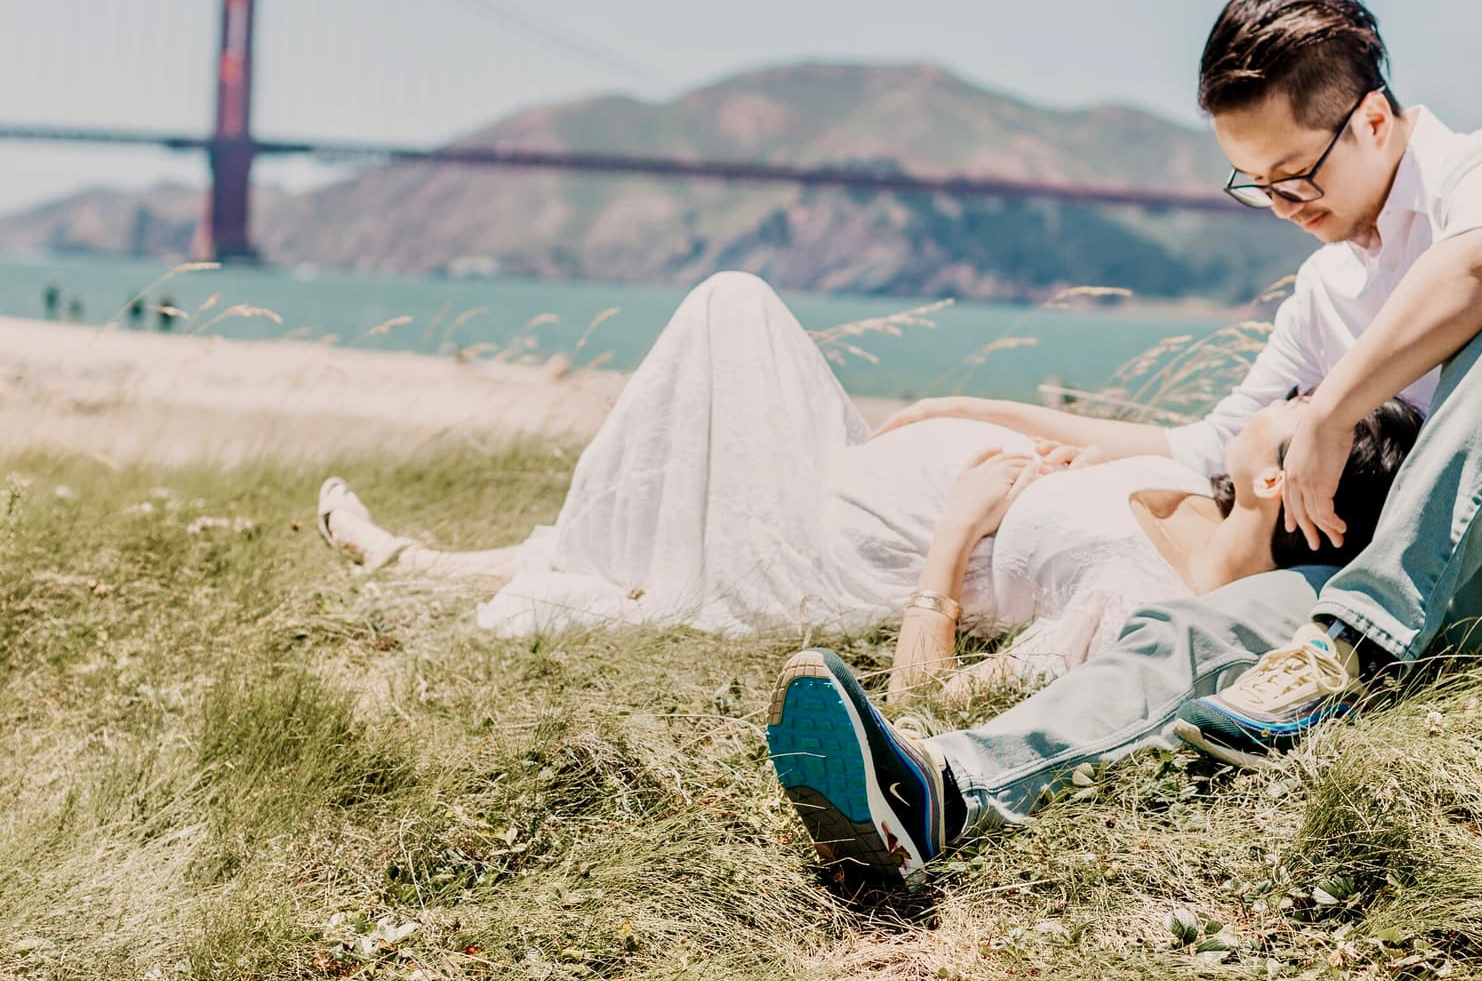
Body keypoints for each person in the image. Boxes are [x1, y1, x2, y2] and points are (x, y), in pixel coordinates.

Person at [762, 0, 1482, 881]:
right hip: (1423, 617)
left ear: (1371, 119)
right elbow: (1203, 445)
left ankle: (1347, 641)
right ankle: (940, 793)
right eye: (1256, 186)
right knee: (1185, 629)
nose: (1284, 208)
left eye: (1296, 177)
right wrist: (976, 411)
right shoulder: (1327, 287)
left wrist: (1333, 407)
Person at [315, 271, 1419, 708]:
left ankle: (419, 567)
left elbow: (931, 703)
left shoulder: (1143, 607)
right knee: (726, 338)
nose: (1282, 400)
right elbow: (1088, 440)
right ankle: (424, 562)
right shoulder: (1196, 482)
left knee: (727, 310)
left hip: (827, 550)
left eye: (1300, 411)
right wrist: (957, 412)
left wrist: (955, 534)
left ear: (1293, 484)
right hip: (850, 470)